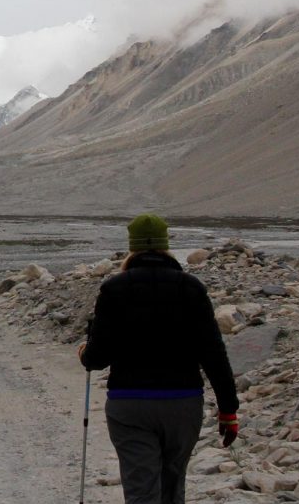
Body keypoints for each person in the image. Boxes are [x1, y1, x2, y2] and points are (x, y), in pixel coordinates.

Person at [78, 214, 238, 504]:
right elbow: (213, 353)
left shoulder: (114, 289)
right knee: (172, 488)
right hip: (183, 403)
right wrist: (228, 410)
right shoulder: (191, 288)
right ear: (166, 246)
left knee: (141, 490)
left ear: (132, 246)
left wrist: (84, 353)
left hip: (130, 404)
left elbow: (97, 358)